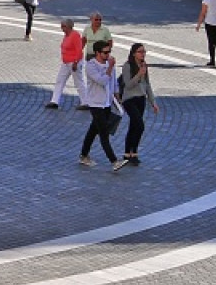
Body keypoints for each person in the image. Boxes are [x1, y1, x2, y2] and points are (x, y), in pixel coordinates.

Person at [78, 39, 127, 170]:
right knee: (103, 133)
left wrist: (117, 97)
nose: (108, 55)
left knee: (93, 130)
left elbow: (114, 83)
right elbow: (102, 81)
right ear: (97, 53)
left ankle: (83, 155)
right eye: (105, 52)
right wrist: (110, 67)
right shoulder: (90, 66)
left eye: (109, 52)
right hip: (95, 103)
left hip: (107, 103)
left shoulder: (109, 64)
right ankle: (114, 161)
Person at [119, 42, 159, 166]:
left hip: (140, 99)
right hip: (129, 99)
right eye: (140, 52)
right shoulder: (127, 66)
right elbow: (128, 85)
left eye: (144, 52)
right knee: (139, 125)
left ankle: (130, 153)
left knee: (134, 126)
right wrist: (139, 75)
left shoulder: (144, 65)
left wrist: (153, 102)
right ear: (134, 53)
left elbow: (147, 85)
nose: (143, 54)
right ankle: (131, 150)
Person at [47, 17, 86, 109]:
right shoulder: (67, 35)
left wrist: (76, 62)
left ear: (69, 26)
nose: (62, 28)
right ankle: (54, 101)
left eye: (63, 26)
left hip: (73, 63)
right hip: (66, 63)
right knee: (60, 80)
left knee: (78, 82)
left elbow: (79, 50)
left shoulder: (75, 35)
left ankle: (85, 102)